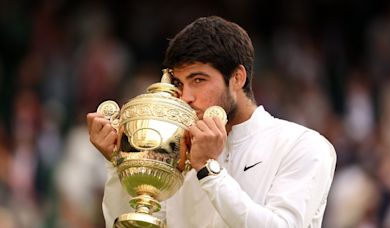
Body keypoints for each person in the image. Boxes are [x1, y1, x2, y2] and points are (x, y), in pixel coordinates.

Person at [87, 16, 336, 228]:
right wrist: (119, 164)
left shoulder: (304, 145)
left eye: (198, 80)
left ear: (237, 78)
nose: (186, 97)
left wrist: (208, 170)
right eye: (180, 84)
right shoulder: (176, 153)